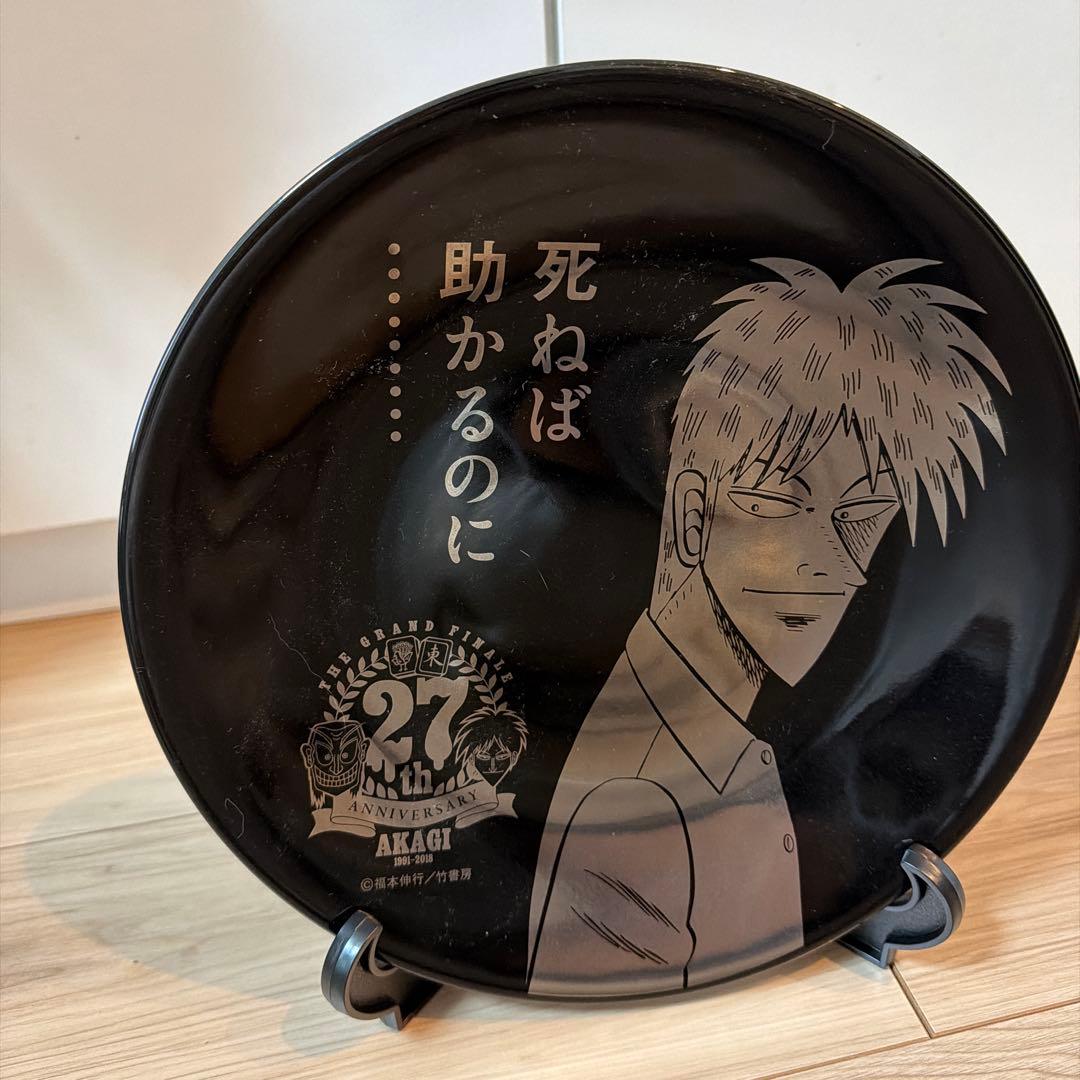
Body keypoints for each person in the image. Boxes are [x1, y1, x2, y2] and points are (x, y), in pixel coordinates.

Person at [527, 258, 1010, 997]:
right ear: (690, 515)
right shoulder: (630, 805)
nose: (832, 567)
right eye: (778, 505)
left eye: (859, 519)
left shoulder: (730, 741)